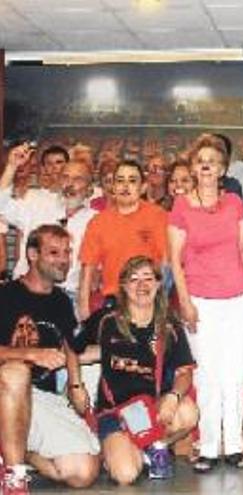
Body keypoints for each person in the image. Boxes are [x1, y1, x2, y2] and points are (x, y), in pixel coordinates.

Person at [168, 135, 243, 473]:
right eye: (200, 159)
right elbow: (175, 261)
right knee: (207, 376)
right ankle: (207, 448)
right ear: (193, 167)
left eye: (213, 160)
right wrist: (186, 303)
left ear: (222, 169)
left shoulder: (234, 203)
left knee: (235, 374)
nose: (206, 164)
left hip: (239, 299)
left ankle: (234, 446)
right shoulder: (180, 206)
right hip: (201, 300)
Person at [0, 225, 100, 492]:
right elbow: (32, 357)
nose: (64, 260)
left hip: (39, 399)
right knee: (16, 372)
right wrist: (29, 354)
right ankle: (14, 475)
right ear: (32, 255)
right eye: (54, 252)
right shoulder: (5, 295)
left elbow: (71, 346)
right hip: (4, 393)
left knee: (83, 472)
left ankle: (18, 453)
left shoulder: (61, 302)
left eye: (67, 252)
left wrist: (76, 385)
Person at [83, 256, 198, 484]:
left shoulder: (169, 324)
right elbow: (71, 344)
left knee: (188, 412)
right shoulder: (106, 320)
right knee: (126, 475)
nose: (142, 285)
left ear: (158, 284)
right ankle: (121, 451)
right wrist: (75, 383)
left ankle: (156, 447)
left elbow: (184, 371)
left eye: (148, 278)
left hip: (151, 409)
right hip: (115, 414)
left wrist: (174, 397)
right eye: (133, 279)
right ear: (124, 287)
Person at [0, 145, 97, 306]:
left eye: (78, 179)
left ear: (90, 189)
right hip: (25, 293)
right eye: (65, 177)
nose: (70, 184)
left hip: (69, 299)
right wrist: (11, 166)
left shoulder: (96, 220)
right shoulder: (36, 202)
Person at [79, 160, 167, 321]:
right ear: (113, 186)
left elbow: (166, 264)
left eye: (132, 181)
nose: (125, 186)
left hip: (149, 301)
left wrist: (162, 303)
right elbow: (88, 266)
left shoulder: (158, 217)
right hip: (114, 302)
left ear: (143, 187)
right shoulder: (98, 222)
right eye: (120, 181)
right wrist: (84, 307)